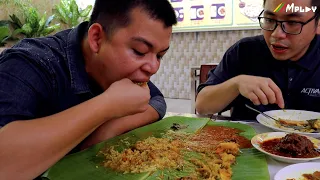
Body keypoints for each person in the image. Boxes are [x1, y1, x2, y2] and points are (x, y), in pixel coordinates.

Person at [0, 0, 177, 179]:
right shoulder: (30, 64)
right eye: (140, 51)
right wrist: (107, 106)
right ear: (96, 38)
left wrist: (111, 127)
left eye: (160, 56)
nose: (153, 67)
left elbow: (156, 100)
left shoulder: (122, 74)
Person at [196, 0, 320, 120]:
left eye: (293, 22)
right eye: (270, 20)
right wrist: (236, 84)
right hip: (246, 139)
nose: (277, 34)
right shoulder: (244, 51)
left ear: (317, 23)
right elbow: (202, 106)